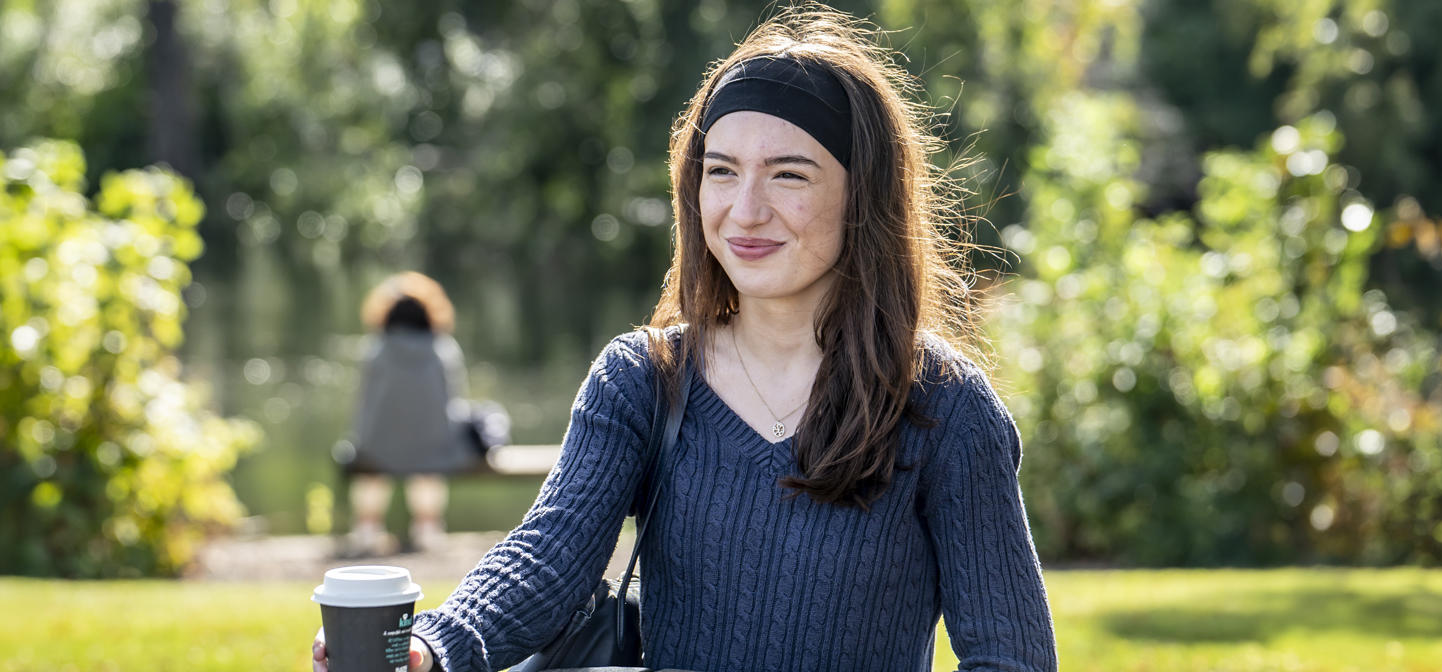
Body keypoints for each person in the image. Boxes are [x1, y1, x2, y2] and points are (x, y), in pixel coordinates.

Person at [317, 5, 1057, 671]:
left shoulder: (947, 408)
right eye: (721, 172)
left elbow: (1011, 656)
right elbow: (549, 557)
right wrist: (433, 645)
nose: (745, 210)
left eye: (789, 175)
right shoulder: (642, 379)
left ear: (863, 194)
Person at [339, 271, 504, 556]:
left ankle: (368, 528)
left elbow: (365, 410)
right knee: (429, 461)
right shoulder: (444, 350)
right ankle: (428, 527)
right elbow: (451, 403)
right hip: (433, 447)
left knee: (371, 463)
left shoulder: (375, 350)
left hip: (381, 448)